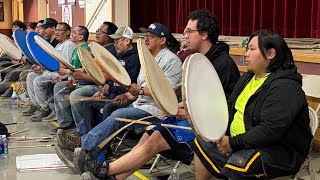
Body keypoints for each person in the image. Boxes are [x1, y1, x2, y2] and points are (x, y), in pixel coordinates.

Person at [76, 10, 241, 180]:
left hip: (208, 130)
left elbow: (223, 107)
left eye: (189, 31)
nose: (185, 36)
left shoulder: (222, 64)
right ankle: (111, 176)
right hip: (191, 120)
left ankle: (104, 170)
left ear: (204, 35)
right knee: (149, 135)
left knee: (156, 137)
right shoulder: (200, 59)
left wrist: (189, 112)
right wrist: (182, 106)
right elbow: (199, 97)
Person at [189, 30, 312, 179]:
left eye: (252, 49)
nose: (246, 54)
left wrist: (233, 143)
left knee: (238, 165)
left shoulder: (285, 87)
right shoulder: (249, 76)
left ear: (271, 54)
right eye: (247, 49)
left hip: (277, 150)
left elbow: (269, 130)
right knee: (202, 143)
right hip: (243, 142)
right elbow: (230, 106)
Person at [27, 22, 77, 121]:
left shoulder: (69, 45)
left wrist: (47, 68)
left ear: (67, 32)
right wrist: (42, 68)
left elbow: (64, 65)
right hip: (51, 72)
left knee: (38, 80)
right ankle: (37, 105)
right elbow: (52, 62)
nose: (56, 32)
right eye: (56, 30)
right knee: (31, 76)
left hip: (58, 74)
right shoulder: (58, 45)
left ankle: (46, 109)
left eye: (59, 30)